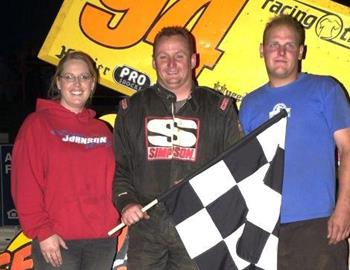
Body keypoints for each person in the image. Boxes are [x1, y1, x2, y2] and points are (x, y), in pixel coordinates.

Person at [112, 26, 241, 269]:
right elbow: (121, 168)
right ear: (153, 62)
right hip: (146, 230)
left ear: (193, 60)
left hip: (199, 228)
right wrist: (126, 202)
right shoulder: (132, 109)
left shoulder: (220, 109)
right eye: (163, 56)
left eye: (179, 55)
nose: (171, 64)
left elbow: (235, 168)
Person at [239, 14, 350, 270]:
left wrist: (344, 208)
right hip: (263, 226)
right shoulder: (250, 103)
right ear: (261, 50)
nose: (281, 51)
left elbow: (347, 149)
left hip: (318, 225)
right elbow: (243, 167)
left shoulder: (325, 89)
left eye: (289, 45)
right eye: (273, 44)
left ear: (301, 51)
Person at [11, 51, 120, 269]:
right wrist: (43, 231)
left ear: (93, 83)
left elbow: (117, 178)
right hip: (58, 240)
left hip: (102, 241)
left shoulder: (102, 130)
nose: (77, 84)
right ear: (58, 83)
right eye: (69, 77)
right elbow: (25, 183)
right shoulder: (38, 124)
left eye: (84, 77)